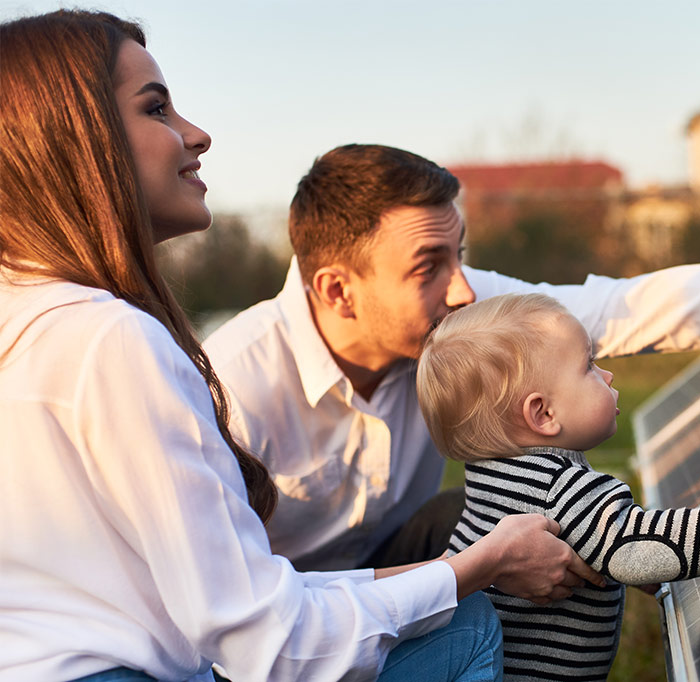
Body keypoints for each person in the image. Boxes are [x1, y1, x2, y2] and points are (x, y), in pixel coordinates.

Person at [0, 11, 597, 682]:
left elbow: (237, 605)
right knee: (464, 629)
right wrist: (474, 571)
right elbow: (269, 646)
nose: (196, 133)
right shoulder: (112, 340)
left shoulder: (27, 320)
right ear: (75, 143)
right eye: (156, 107)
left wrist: (460, 566)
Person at [205, 143, 700, 573]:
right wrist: (466, 577)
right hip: (279, 631)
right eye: (428, 270)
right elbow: (230, 614)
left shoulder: (461, 313)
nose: (462, 294)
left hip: (394, 566)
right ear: (338, 292)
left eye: (462, 256)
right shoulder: (232, 390)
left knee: (532, 514)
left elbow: (636, 306)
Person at [415, 293, 700, 680]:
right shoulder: (560, 489)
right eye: (588, 366)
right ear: (543, 415)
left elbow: (600, 544)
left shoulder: (492, 477)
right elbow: (637, 543)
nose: (608, 374)